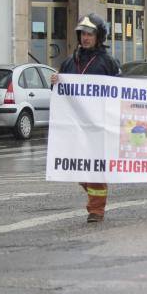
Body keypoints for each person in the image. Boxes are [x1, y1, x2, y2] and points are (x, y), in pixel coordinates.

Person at [52, 14, 121, 223]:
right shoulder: (69, 62)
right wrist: (55, 82)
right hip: (74, 127)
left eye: (89, 34)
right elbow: (60, 95)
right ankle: (93, 195)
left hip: (99, 126)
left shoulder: (108, 62)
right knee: (78, 169)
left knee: (94, 170)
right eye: (82, 33)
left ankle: (96, 210)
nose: (85, 38)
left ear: (98, 36)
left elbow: (120, 92)